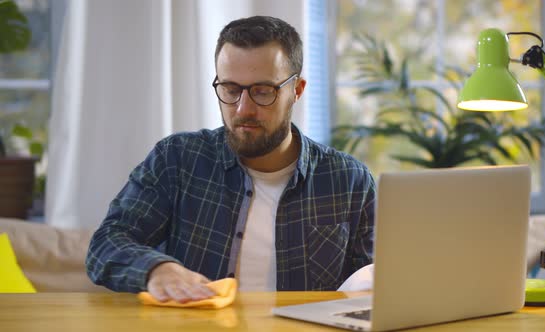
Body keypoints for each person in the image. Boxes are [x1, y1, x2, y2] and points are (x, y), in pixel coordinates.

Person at [86, 15, 375, 303]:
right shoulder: (177, 159)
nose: (242, 109)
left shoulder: (350, 181)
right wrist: (157, 269)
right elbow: (106, 244)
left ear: (296, 91)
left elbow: (373, 286)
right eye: (230, 89)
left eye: (263, 91)